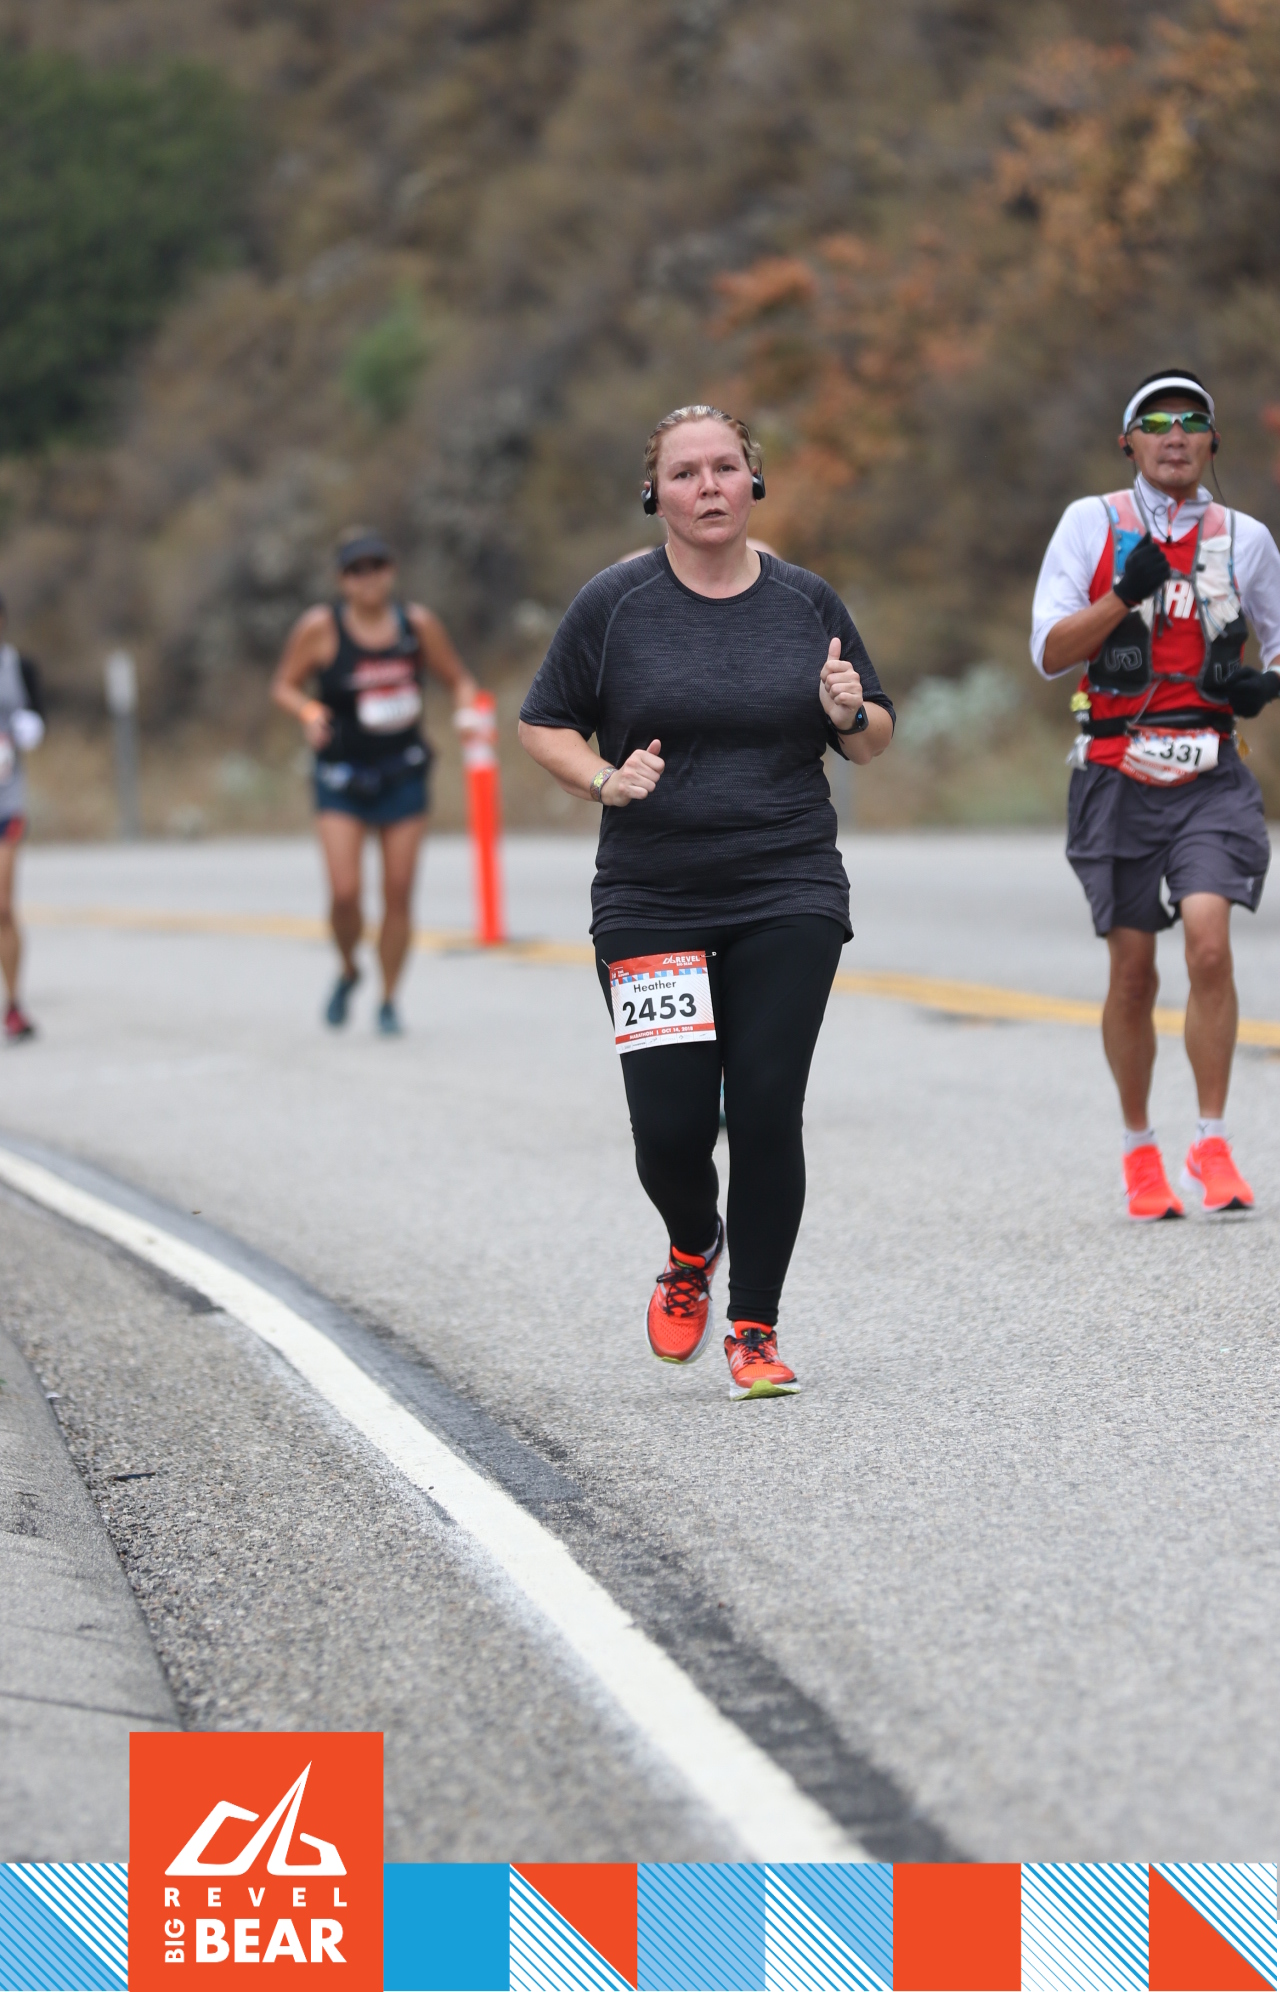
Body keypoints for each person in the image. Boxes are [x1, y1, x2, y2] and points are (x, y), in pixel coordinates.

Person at [518, 404, 894, 1398]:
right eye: (684, 473)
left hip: (786, 884)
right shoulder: (615, 604)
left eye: (725, 467)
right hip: (651, 892)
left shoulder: (804, 600)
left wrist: (849, 713)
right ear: (655, 494)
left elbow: (871, 736)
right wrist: (604, 781)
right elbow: (542, 724)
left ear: (752, 480)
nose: (708, 486)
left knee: (767, 1107)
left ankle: (754, 1329)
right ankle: (693, 1243)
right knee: (671, 1130)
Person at [1032, 368, 1280, 1219]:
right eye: (1157, 421)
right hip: (1116, 770)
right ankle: (1140, 1149)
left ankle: (1212, 1140)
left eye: (1192, 421)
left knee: (1209, 944)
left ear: (1213, 442)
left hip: (1211, 770)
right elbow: (1050, 651)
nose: (1175, 435)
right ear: (1128, 442)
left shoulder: (1245, 538)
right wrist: (1122, 596)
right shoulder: (1090, 523)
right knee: (1133, 973)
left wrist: (1262, 684)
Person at [272, 528, 478, 1034]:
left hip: (403, 772)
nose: (368, 579)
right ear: (341, 579)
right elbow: (284, 685)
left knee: (399, 892)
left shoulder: (417, 624)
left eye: (376, 567)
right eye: (355, 570)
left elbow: (458, 679)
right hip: (341, 776)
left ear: (392, 571)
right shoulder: (321, 628)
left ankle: (388, 999)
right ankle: (348, 969)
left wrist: (468, 713)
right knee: (345, 893)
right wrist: (308, 711)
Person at [0, 596, 45, 1043]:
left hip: (7, 802)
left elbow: (37, 719)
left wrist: (27, 728)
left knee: (3, 905)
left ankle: (13, 1004)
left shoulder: (18, 667)